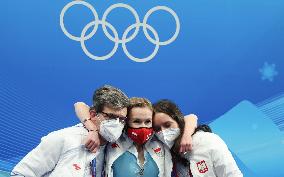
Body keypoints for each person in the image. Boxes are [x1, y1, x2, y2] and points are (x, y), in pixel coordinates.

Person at [11, 85, 129, 177]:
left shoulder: (119, 148)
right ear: (93, 114)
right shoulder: (63, 138)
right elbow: (21, 174)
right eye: (111, 117)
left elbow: (80, 106)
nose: (117, 123)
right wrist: (92, 129)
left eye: (122, 119)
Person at [152, 99, 243, 177]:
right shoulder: (165, 154)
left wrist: (186, 135)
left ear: (178, 121)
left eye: (167, 125)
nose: (163, 132)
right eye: (157, 129)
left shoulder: (207, 141)